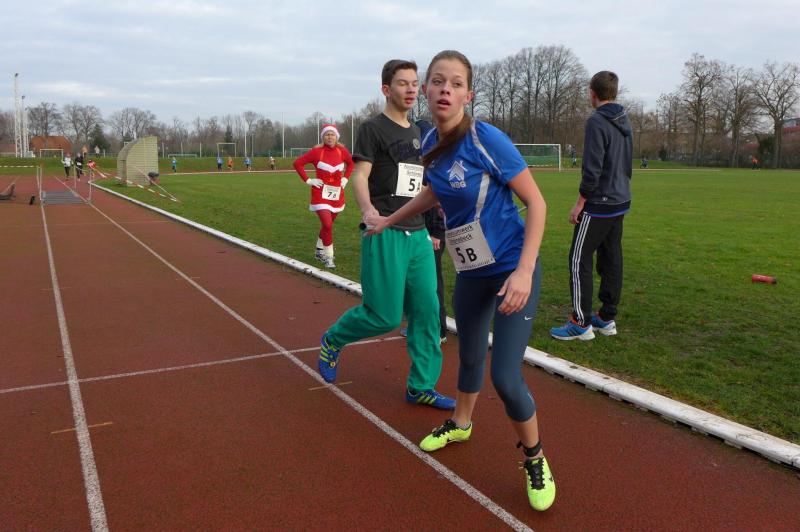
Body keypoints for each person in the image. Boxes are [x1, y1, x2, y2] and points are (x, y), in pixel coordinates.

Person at [365, 50, 554, 511]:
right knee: (468, 358)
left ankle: (535, 457)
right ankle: (462, 424)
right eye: (437, 81)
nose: (444, 89)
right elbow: (435, 191)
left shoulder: (486, 139)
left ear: (468, 94)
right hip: (470, 272)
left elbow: (538, 203)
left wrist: (524, 271)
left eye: (455, 83)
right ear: (426, 91)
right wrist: (389, 220)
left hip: (510, 272)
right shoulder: (430, 139)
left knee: (505, 376)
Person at [317, 58, 455, 412]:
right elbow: (360, 175)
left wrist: (437, 213)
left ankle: (421, 385)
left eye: (414, 83)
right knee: (384, 316)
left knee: (427, 312)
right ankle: (334, 339)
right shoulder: (372, 129)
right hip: (385, 230)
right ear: (386, 89)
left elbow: (418, 183)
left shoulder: (421, 133)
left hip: (418, 234)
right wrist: (367, 210)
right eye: (403, 83)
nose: (411, 89)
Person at [550, 70, 632, 341]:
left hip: (599, 203)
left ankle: (581, 322)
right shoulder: (625, 118)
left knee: (578, 258)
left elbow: (592, 167)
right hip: (620, 200)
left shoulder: (597, 121)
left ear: (593, 93)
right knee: (611, 257)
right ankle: (606, 318)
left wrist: (580, 203)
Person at [292, 124, 354, 268]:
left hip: (337, 194)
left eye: (332, 134)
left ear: (336, 137)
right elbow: (297, 163)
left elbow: (351, 164)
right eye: (327, 135)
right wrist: (309, 180)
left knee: (327, 225)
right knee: (327, 224)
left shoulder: (342, 151)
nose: (330, 137)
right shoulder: (316, 152)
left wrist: (346, 178)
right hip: (320, 193)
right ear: (323, 137)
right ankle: (329, 257)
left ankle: (319, 251)